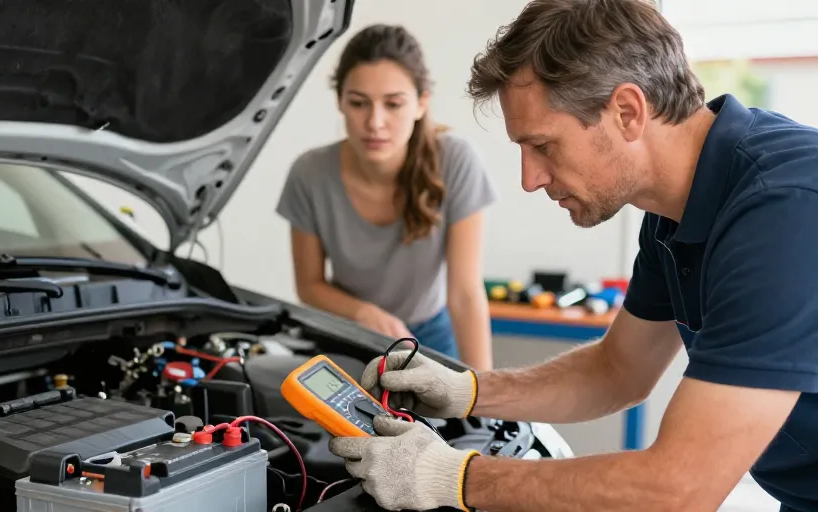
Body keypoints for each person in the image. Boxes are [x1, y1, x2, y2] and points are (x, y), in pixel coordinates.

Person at [327, 1, 818, 511]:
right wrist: (468, 390)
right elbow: (617, 370)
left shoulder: (785, 209)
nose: (529, 178)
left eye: (544, 146)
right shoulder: (674, 211)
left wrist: (453, 476)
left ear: (627, 112)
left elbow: (678, 488)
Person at [276, 24, 498, 371]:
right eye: (358, 103)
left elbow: (465, 295)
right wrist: (363, 313)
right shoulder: (309, 174)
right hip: (346, 332)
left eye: (393, 104)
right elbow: (309, 285)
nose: (375, 122)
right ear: (340, 102)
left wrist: (484, 394)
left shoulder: (456, 161)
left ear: (421, 103)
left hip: (431, 333)